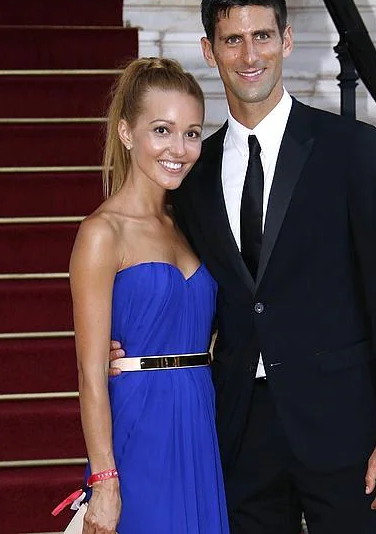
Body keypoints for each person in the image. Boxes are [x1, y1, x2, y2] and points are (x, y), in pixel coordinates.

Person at [111, 0, 376, 534]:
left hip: (343, 428)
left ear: (287, 39)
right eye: (232, 39)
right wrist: (135, 340)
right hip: (239, 428)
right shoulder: (192, 171)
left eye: (261, 35)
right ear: (210, 50)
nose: (248, 54)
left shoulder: (351, 149)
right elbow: (170, 268)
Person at [68, 57, 229, 534]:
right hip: (140, 424)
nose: (179, 148)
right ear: (126, 133)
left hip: (199, 419)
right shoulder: (102, 233)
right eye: (162, 130)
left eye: (192, 133)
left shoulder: (191, 224)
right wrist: (105, 481)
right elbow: (90, 372)